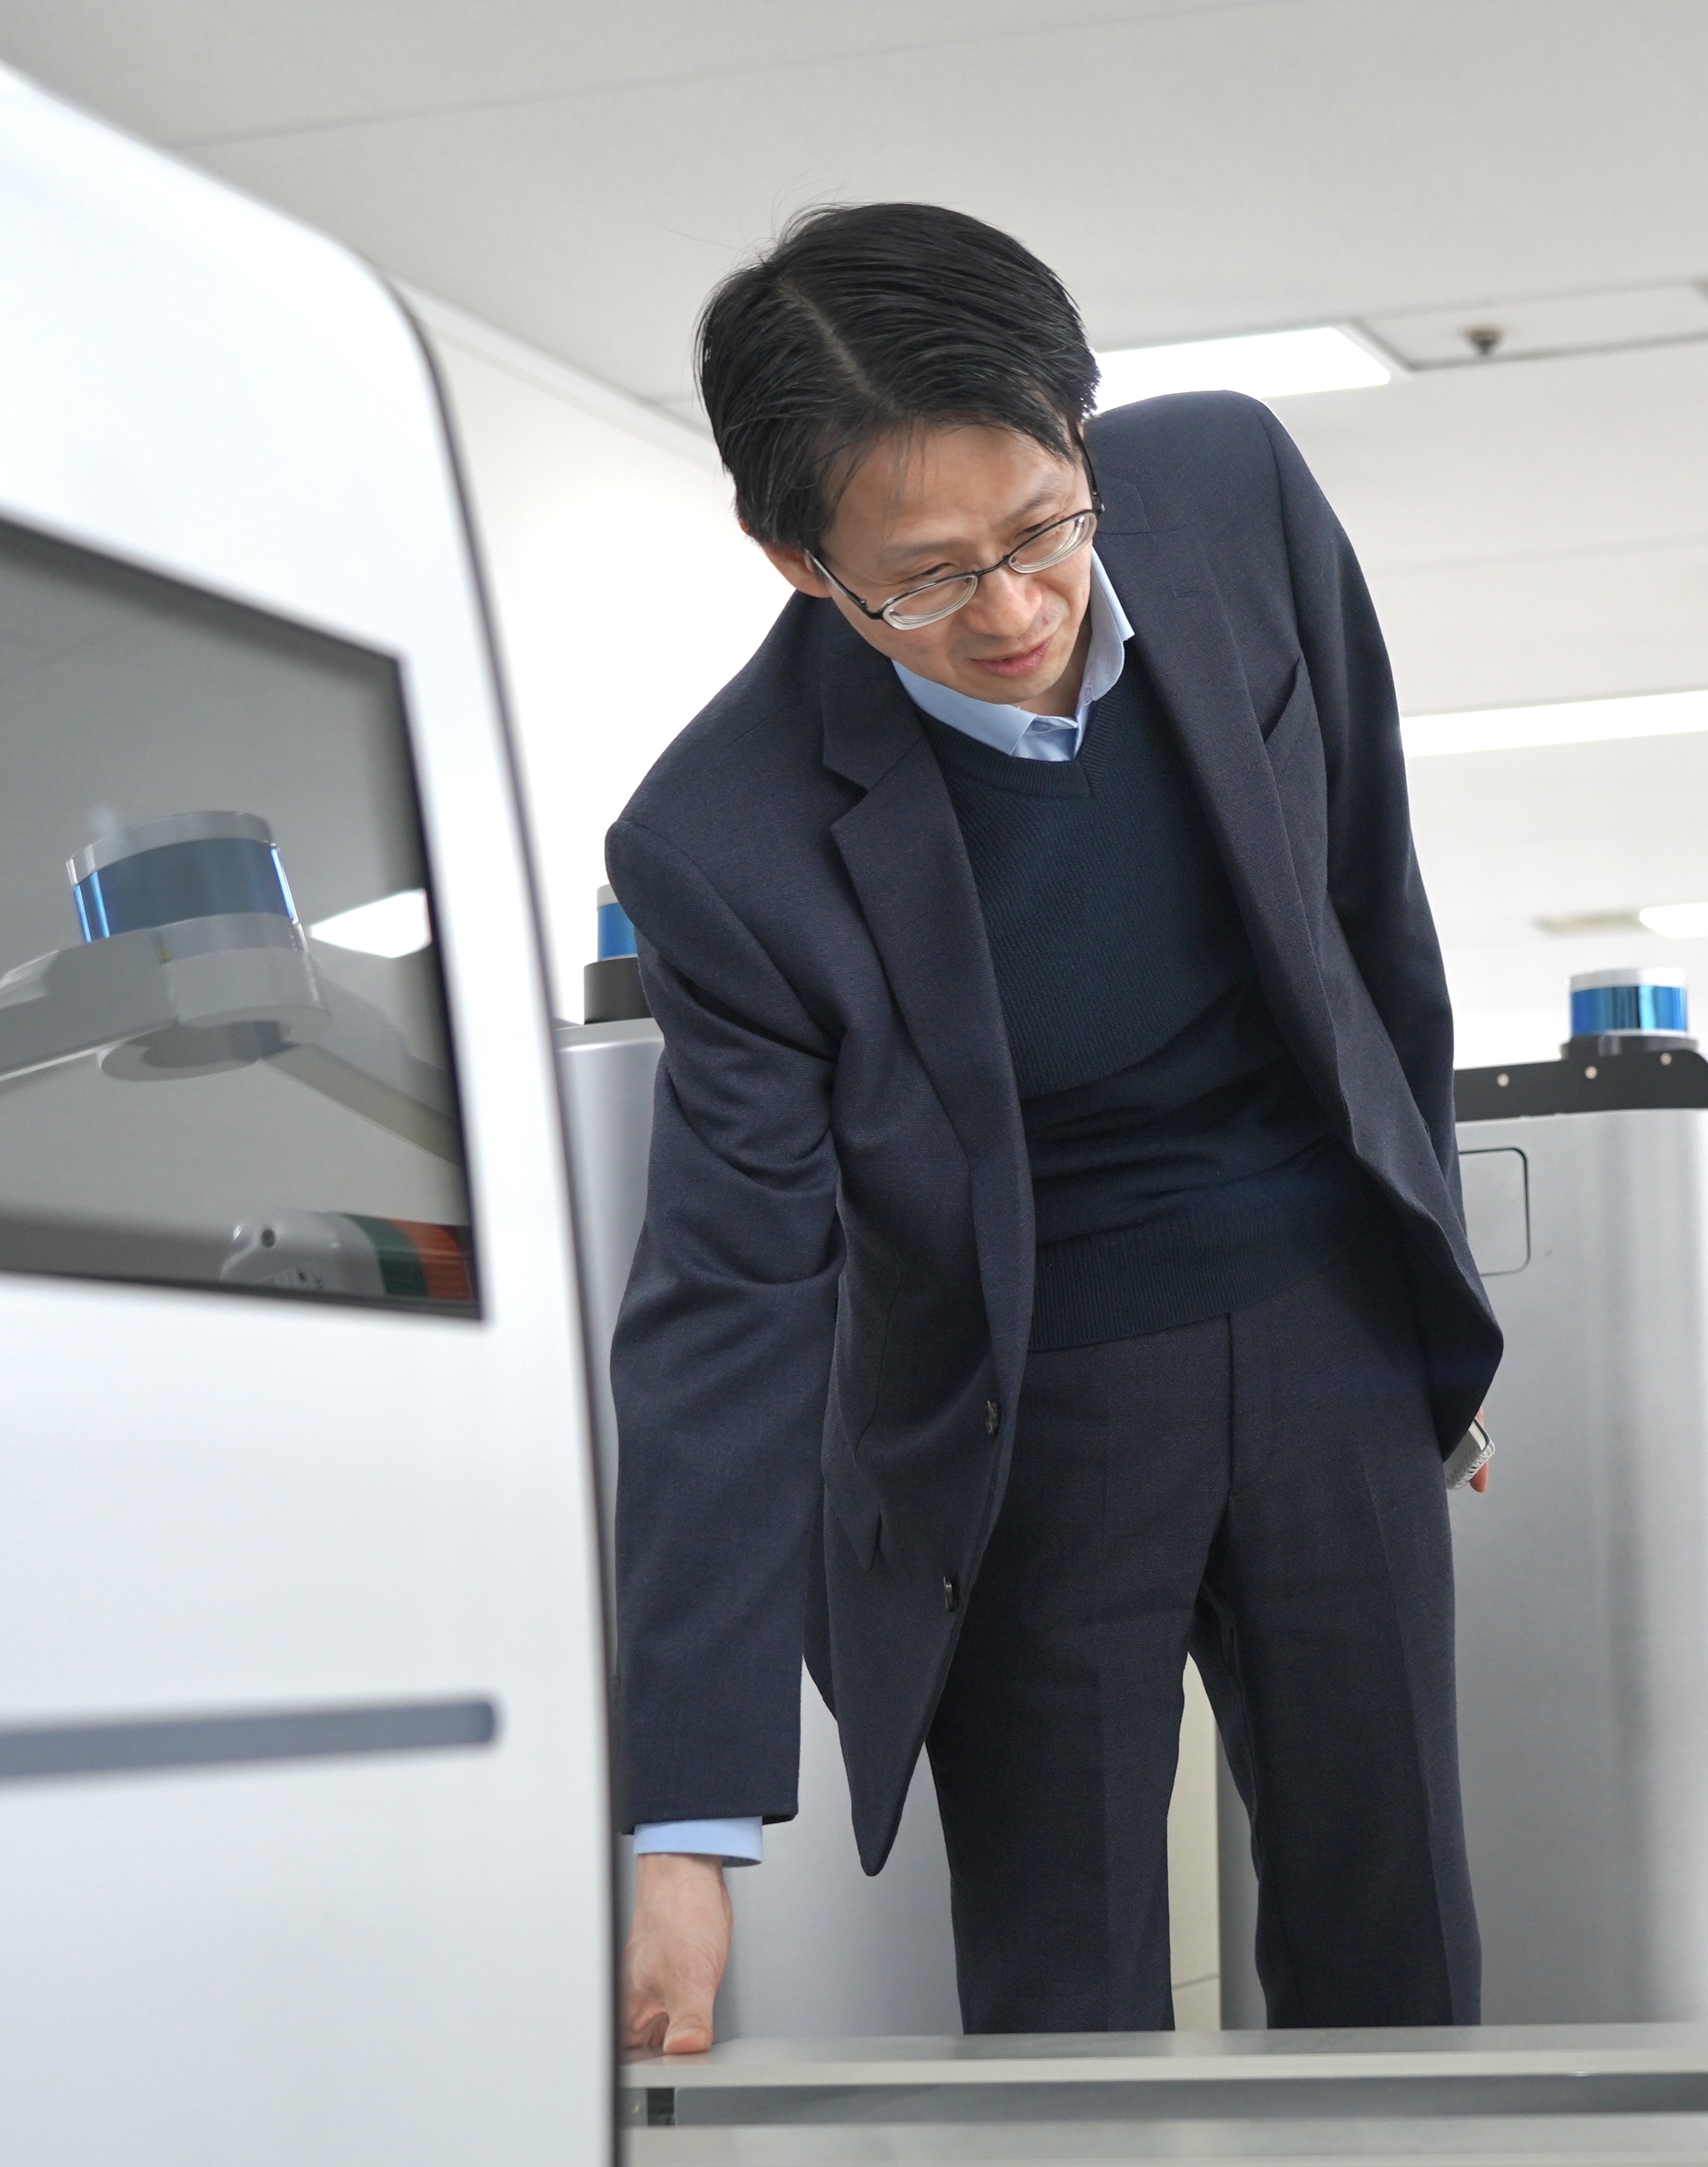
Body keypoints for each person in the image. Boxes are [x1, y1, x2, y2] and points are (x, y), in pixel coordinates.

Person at [606, 204, 1500, 2052]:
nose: (1015, 612)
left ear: (1082, 437)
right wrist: (684, 1828)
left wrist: (1435, 1315)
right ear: (798, 563)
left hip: (1326, 1315)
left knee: (1394, 1935)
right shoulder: (725, 837)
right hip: (1024, 1407)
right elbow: (730, 1292)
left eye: (1039, 533)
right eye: (927, 579)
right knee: (1063, 1993)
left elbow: (1368, 910)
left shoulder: (1229, 490)